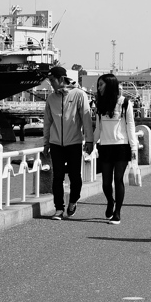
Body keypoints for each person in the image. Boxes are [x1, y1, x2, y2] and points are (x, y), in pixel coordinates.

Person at [42, 65, 94, 220]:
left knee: (75, 176)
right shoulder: (51, 98)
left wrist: (89, 140)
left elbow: (86, 119)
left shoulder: (79, 94)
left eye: (52, 80)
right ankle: (58, 208)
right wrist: (46, 143)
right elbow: (47, 122)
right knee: (57, 176)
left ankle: (73, 200)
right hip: (56, 143)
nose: (50, 83)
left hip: (74, 142)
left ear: (61, 79)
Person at [93, 74, 137, 224]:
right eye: (98, 85)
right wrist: (90, 142)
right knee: (106, 183)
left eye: (101, 85)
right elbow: (98, 128)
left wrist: (134, 147)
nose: (99, 88)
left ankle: (117, 213)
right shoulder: (99, 104)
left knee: (118, 179)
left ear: (110, 85)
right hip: (105, 146)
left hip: (122, 146)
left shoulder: (125, 103)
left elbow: (130, 126)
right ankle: (110, 202)